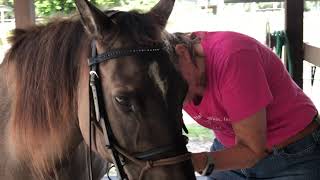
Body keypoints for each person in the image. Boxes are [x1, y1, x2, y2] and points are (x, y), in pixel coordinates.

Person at [169, 31, 320, 179]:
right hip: (227, 151)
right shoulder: (163, 78)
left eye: (171, 86)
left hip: (294, 155)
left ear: (183, 54)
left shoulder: (232, 56)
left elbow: (251, 150)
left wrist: (187, 163)